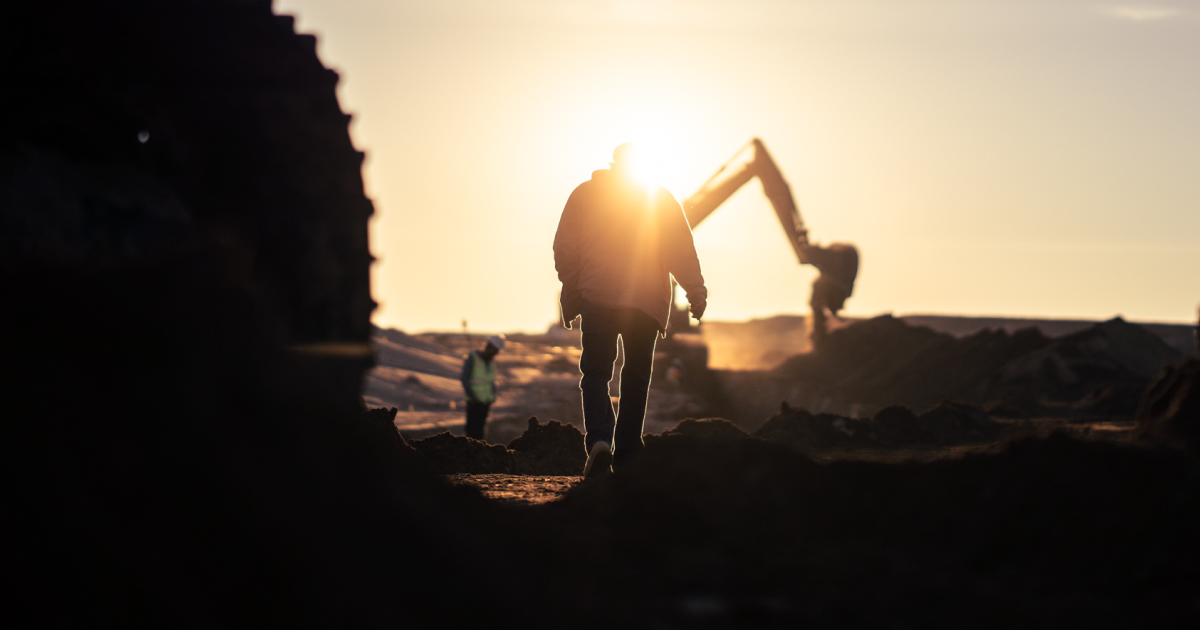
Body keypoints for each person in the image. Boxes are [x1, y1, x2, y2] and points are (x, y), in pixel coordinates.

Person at [553, 143, 707, 478]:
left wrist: (572, 288)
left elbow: (565, 248)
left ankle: (598, 441)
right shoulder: (660, 198)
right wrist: (695, 289)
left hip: (598, 296)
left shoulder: (585, 194)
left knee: (595, 374)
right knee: (636, 378)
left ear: (615, 163)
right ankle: (625, 455)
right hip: (645, 303)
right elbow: (681, 249)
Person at [459, 335, 505, 440]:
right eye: (495, 350)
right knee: (471, 432)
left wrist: (493, 395)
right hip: (474, 402)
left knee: (481, 433)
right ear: (489, 346)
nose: (496, 353)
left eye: (497, 351)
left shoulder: (491, 362)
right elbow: (464, 378)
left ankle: (479, 453)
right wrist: (472, 396)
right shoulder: (473, 358)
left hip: (486, 402)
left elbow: (490, 381)